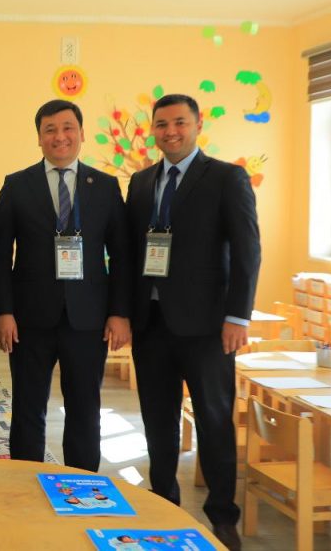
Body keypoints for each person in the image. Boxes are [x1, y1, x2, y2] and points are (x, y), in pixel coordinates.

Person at [125, 94, 260, 551]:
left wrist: (238, 315)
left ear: (198, 125)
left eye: (180, 122)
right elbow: (131, 253)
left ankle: (223, 516)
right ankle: (164, 504)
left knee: (214, 421)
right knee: (157, 421)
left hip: (208, 328)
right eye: (162, 124)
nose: (171, 132)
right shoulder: (141, 182)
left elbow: (248, 250)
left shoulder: (226, 177)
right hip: (151, 324)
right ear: (153, 130)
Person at [0, 99, 131, 471]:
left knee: (85, 408)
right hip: (29, 319)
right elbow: (0, 256)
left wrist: (119, 313)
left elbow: (122, 256)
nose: (60, 136)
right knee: (28, 407)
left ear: (81, 133)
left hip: (88, 319)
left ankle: (82, 485)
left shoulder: (105, 187)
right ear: (39, 137)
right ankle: (26, 480)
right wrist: (2, 311)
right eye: (49, 129)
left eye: (68, 127)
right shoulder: (17, 186)